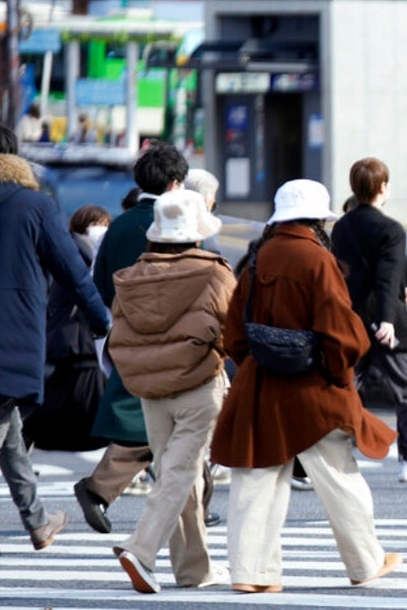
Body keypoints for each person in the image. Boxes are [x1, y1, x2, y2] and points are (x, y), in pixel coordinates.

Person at [211, 179, 400, 591]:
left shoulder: (260, 255)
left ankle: (251, 573)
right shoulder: (317, 258)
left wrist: (257, 362)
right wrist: (338, 369)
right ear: (318, 217)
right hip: (314, 386)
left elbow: (234, 332)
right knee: (339, 478)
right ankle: (365, 562)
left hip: (263, 385)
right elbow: (339, 328)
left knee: (257, 479)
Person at [0, 124, 110, 559]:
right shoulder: (34, 205)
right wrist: (100, 320)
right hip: (17, 332)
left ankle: (37, 521)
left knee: (6, 423)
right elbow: (73, 271)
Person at [108, 189, 234, 593]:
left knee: (177, 475)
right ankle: (141, 550)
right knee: (180, 474)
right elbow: (234, 326)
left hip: (149, 390)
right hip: (198, 385)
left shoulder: (133, 277)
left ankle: (193, 570)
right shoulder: (214, 272)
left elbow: (119, 331)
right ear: (196, 233)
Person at [74, 142, 189, 535]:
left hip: (128, 335)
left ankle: (103, 489)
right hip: (174, 339)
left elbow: (99, 287)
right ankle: (189, 518)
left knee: (164, 426)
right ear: (176, 184)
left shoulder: (119, 225)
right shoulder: (177, 221)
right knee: (183, 425)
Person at [331, 158, 407, 483]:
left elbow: (347, 277)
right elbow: (387, 276)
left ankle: (334, 455)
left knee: (346, 387)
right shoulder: (391, 229)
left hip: (350, 321)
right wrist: (389, 317)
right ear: (383, 188)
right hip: (385, 326)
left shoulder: (341, 227)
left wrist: (393, 296)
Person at [22, 205, 112, 452]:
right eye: (100, 224)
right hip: (78, 337)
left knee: (58, 399)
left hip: (72, 338)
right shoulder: (76, 251)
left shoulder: (72, 247)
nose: (103, 230)